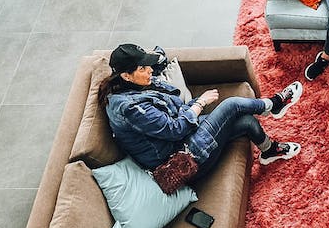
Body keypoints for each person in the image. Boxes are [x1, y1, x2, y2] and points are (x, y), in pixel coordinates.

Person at [104, 43, 302, 178]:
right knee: (231, 105)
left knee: (247, 121)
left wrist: (155, 62)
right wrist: (199, 104)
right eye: (142, 68)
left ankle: (269, 151)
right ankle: (273, 105)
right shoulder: (130, 108)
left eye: (147, 65)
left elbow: (171, 107)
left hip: (182, 136)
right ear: (126, 76)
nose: (149, 71)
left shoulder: (134, 85)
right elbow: (174, 130)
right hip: (180, 160)